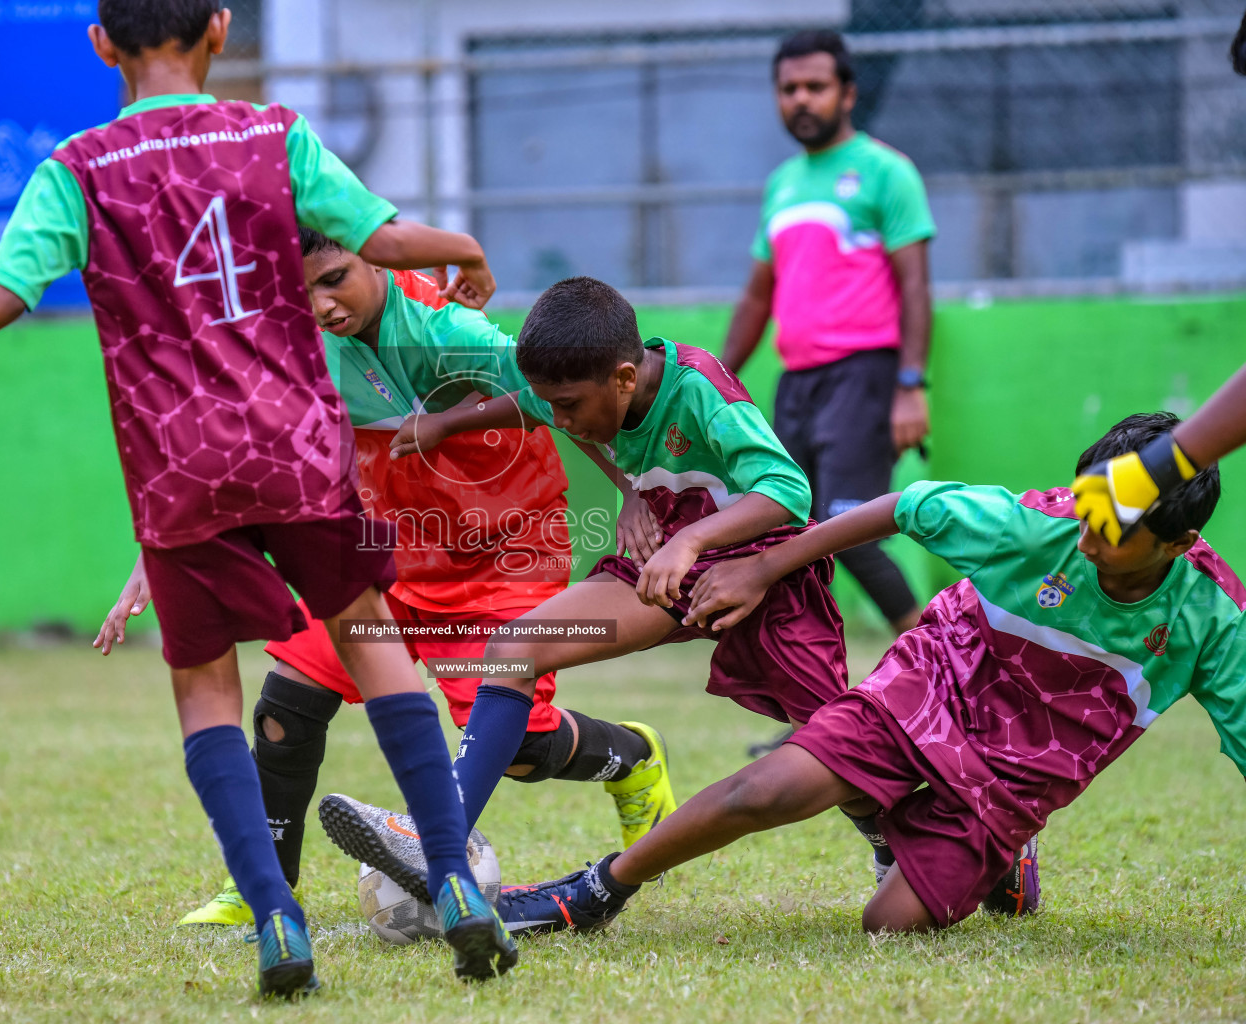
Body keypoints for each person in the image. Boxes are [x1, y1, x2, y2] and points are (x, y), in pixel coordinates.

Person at [0, 1, 515, 996]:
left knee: (206, 683)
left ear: (100, 45)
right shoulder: (274, 135)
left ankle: (277, 917)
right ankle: (456, 882)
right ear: (220, 28)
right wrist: (458, 243)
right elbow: (381, 235)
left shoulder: (75, 171)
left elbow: (1, 291)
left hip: (178, 466)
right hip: (297, 443)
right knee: (372, 638)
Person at [95, 229, 677, 927]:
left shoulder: (447, 330)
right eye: (303, 288)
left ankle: (632, 758)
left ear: (381, 260)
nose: (324, 304)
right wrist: (151, 561)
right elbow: (231, 452)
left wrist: (633, 490)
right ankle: (263, 892)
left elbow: (562, 393)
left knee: (519, 744)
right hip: (390, 549)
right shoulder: (293, 347)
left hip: (506, 550)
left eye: (336, 278)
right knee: (286, 704)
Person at [498, 413, 1244, 936]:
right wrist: (764, 566)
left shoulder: (1211, 620)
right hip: (940, 677)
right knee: (772, 788)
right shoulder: (1032, 524)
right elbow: (900, 507)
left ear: (1178, 544)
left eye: (1113, 532)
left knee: (886, 924)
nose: (1082, 535)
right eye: (1085, 506)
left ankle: (1001, 850)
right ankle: (600, 888)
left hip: (1023, 767)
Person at [318, 275, 878, 897]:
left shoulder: (699, 390)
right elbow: (526, 406)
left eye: (570, 407)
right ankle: (438, 838)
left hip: (764, 572)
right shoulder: (581, 386)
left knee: (836, 741)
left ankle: (906, 844)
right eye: (551, 405)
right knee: (515, 648)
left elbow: (788, 491)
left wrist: (690, 540)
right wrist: (447, 424)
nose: (560, 421)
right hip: (662, 572)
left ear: (623, 379)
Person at [723, 29, 935, 637]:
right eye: (788, 89)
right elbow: (758, 294)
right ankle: (811, 717)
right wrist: (712, 375)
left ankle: (942, 670)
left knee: (848, 530)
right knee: (787, 532)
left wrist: (910, 385)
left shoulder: (886, 172)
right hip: (798, 384)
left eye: (815, 87)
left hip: (866, 375)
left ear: (847, 94)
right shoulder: (782, 185)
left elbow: (917, 288)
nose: (800, 100)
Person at [1073, 370, 1246, 546]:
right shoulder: (1047, 521)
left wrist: (1154, 470)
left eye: (1108, 534)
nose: (1083, 545)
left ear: (1179, 544)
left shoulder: (1206, 574)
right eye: (1085, 518)